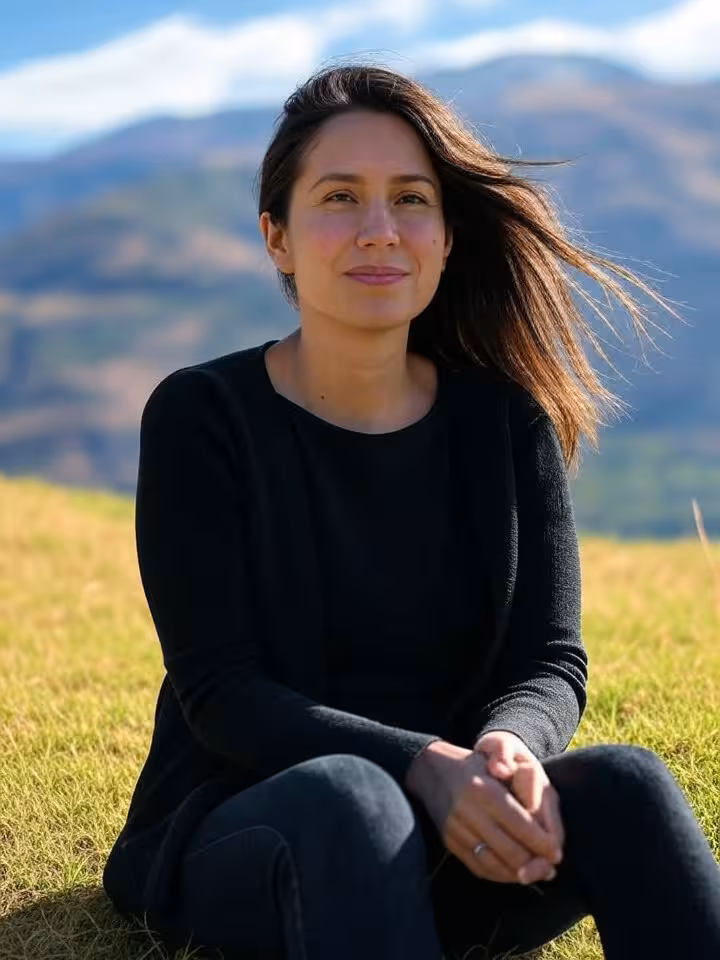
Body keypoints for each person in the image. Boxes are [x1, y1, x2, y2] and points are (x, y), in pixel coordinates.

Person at [102, 62, 720, 959]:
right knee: (352, 798)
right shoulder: (204, 416)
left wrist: (507, 748)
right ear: (278, 237)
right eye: (340, 198)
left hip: (460, 837)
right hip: (257, 833)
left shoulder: (506, 421)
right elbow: (221, 693)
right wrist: (423, 765)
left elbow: (549, 660)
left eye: (410, 199)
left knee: (627, 784)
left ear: (446, 234)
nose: (379, 230)